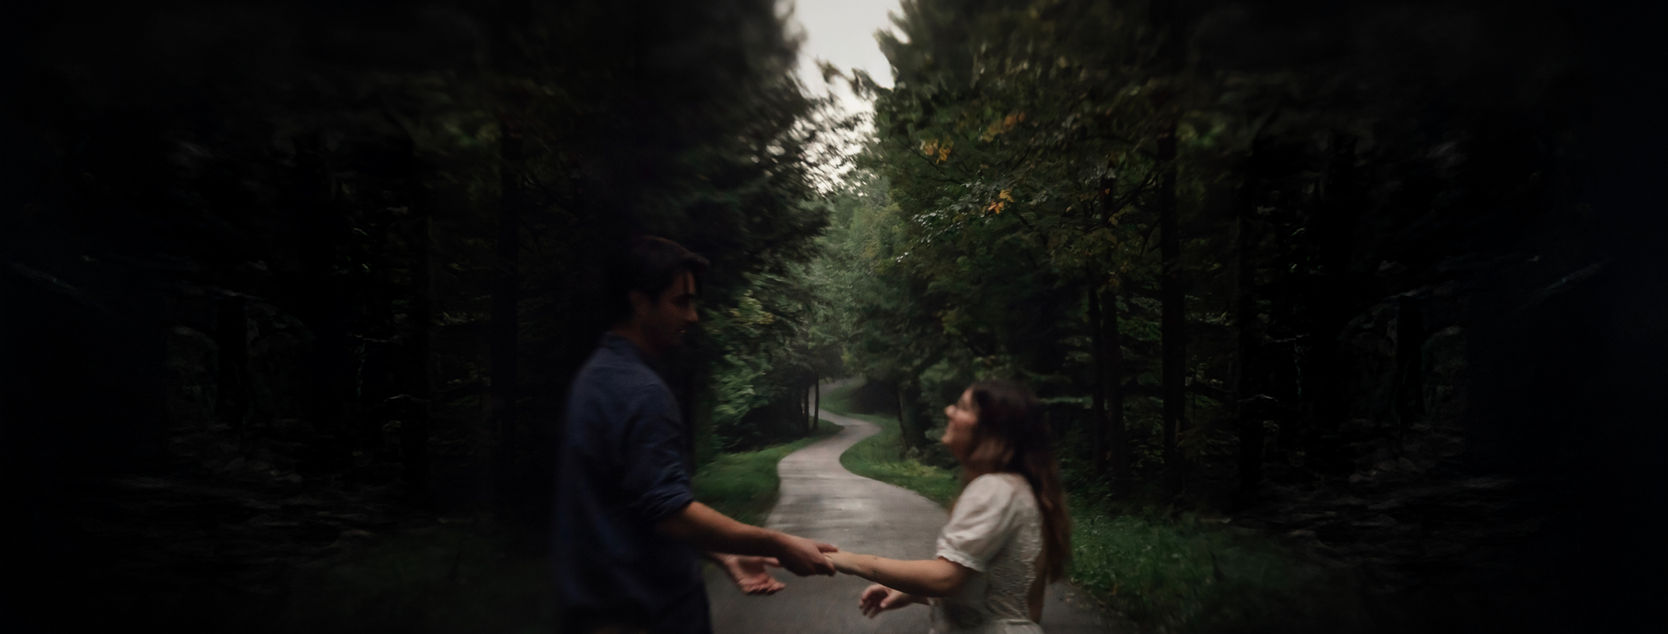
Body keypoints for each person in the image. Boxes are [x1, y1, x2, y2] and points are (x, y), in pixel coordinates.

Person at [553, 235, 838, 634]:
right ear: (639, 302)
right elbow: (670, 512)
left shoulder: (595, 378)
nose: (693, 317)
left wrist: (723, 553)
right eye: (680, 302)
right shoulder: (641, 392)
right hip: (649, 614)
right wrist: (776, 543)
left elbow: (638, 502)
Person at [824, 380, 1071, 633]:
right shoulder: (1015, 488)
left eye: (963, 407)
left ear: (991, 430)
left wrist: (847, 560)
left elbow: (946, 578)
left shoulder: (995, 488)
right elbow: (991, 594)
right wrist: (906, 593)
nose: (949, 411)